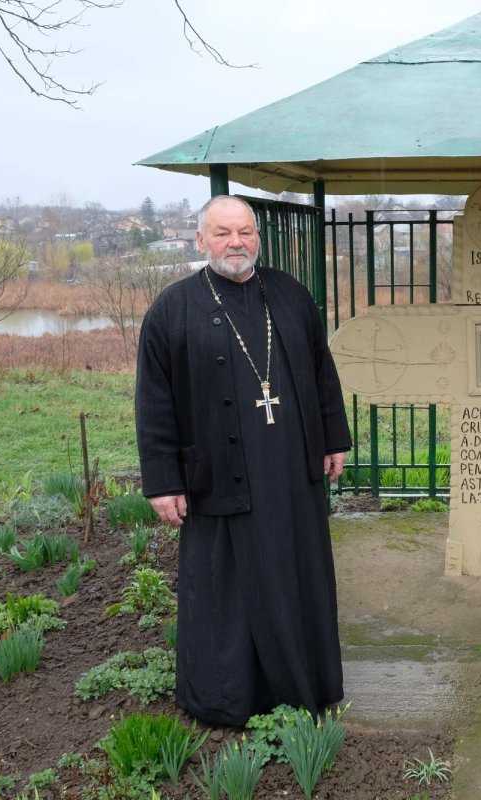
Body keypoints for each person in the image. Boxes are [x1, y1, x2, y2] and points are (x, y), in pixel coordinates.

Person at [134, 194, 352, 726]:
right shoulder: (172, 308)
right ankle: (225, 698)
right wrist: (163, 482)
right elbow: (154, 401)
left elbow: (322, 374)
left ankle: (306, 686)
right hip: (216, 480)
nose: (237, 242)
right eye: (224, 232)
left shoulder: (291, 295)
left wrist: (333, 440)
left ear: (258, 237)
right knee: (225, 592)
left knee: (296, 579)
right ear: (201, 240)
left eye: (246, 232)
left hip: (290, 478)